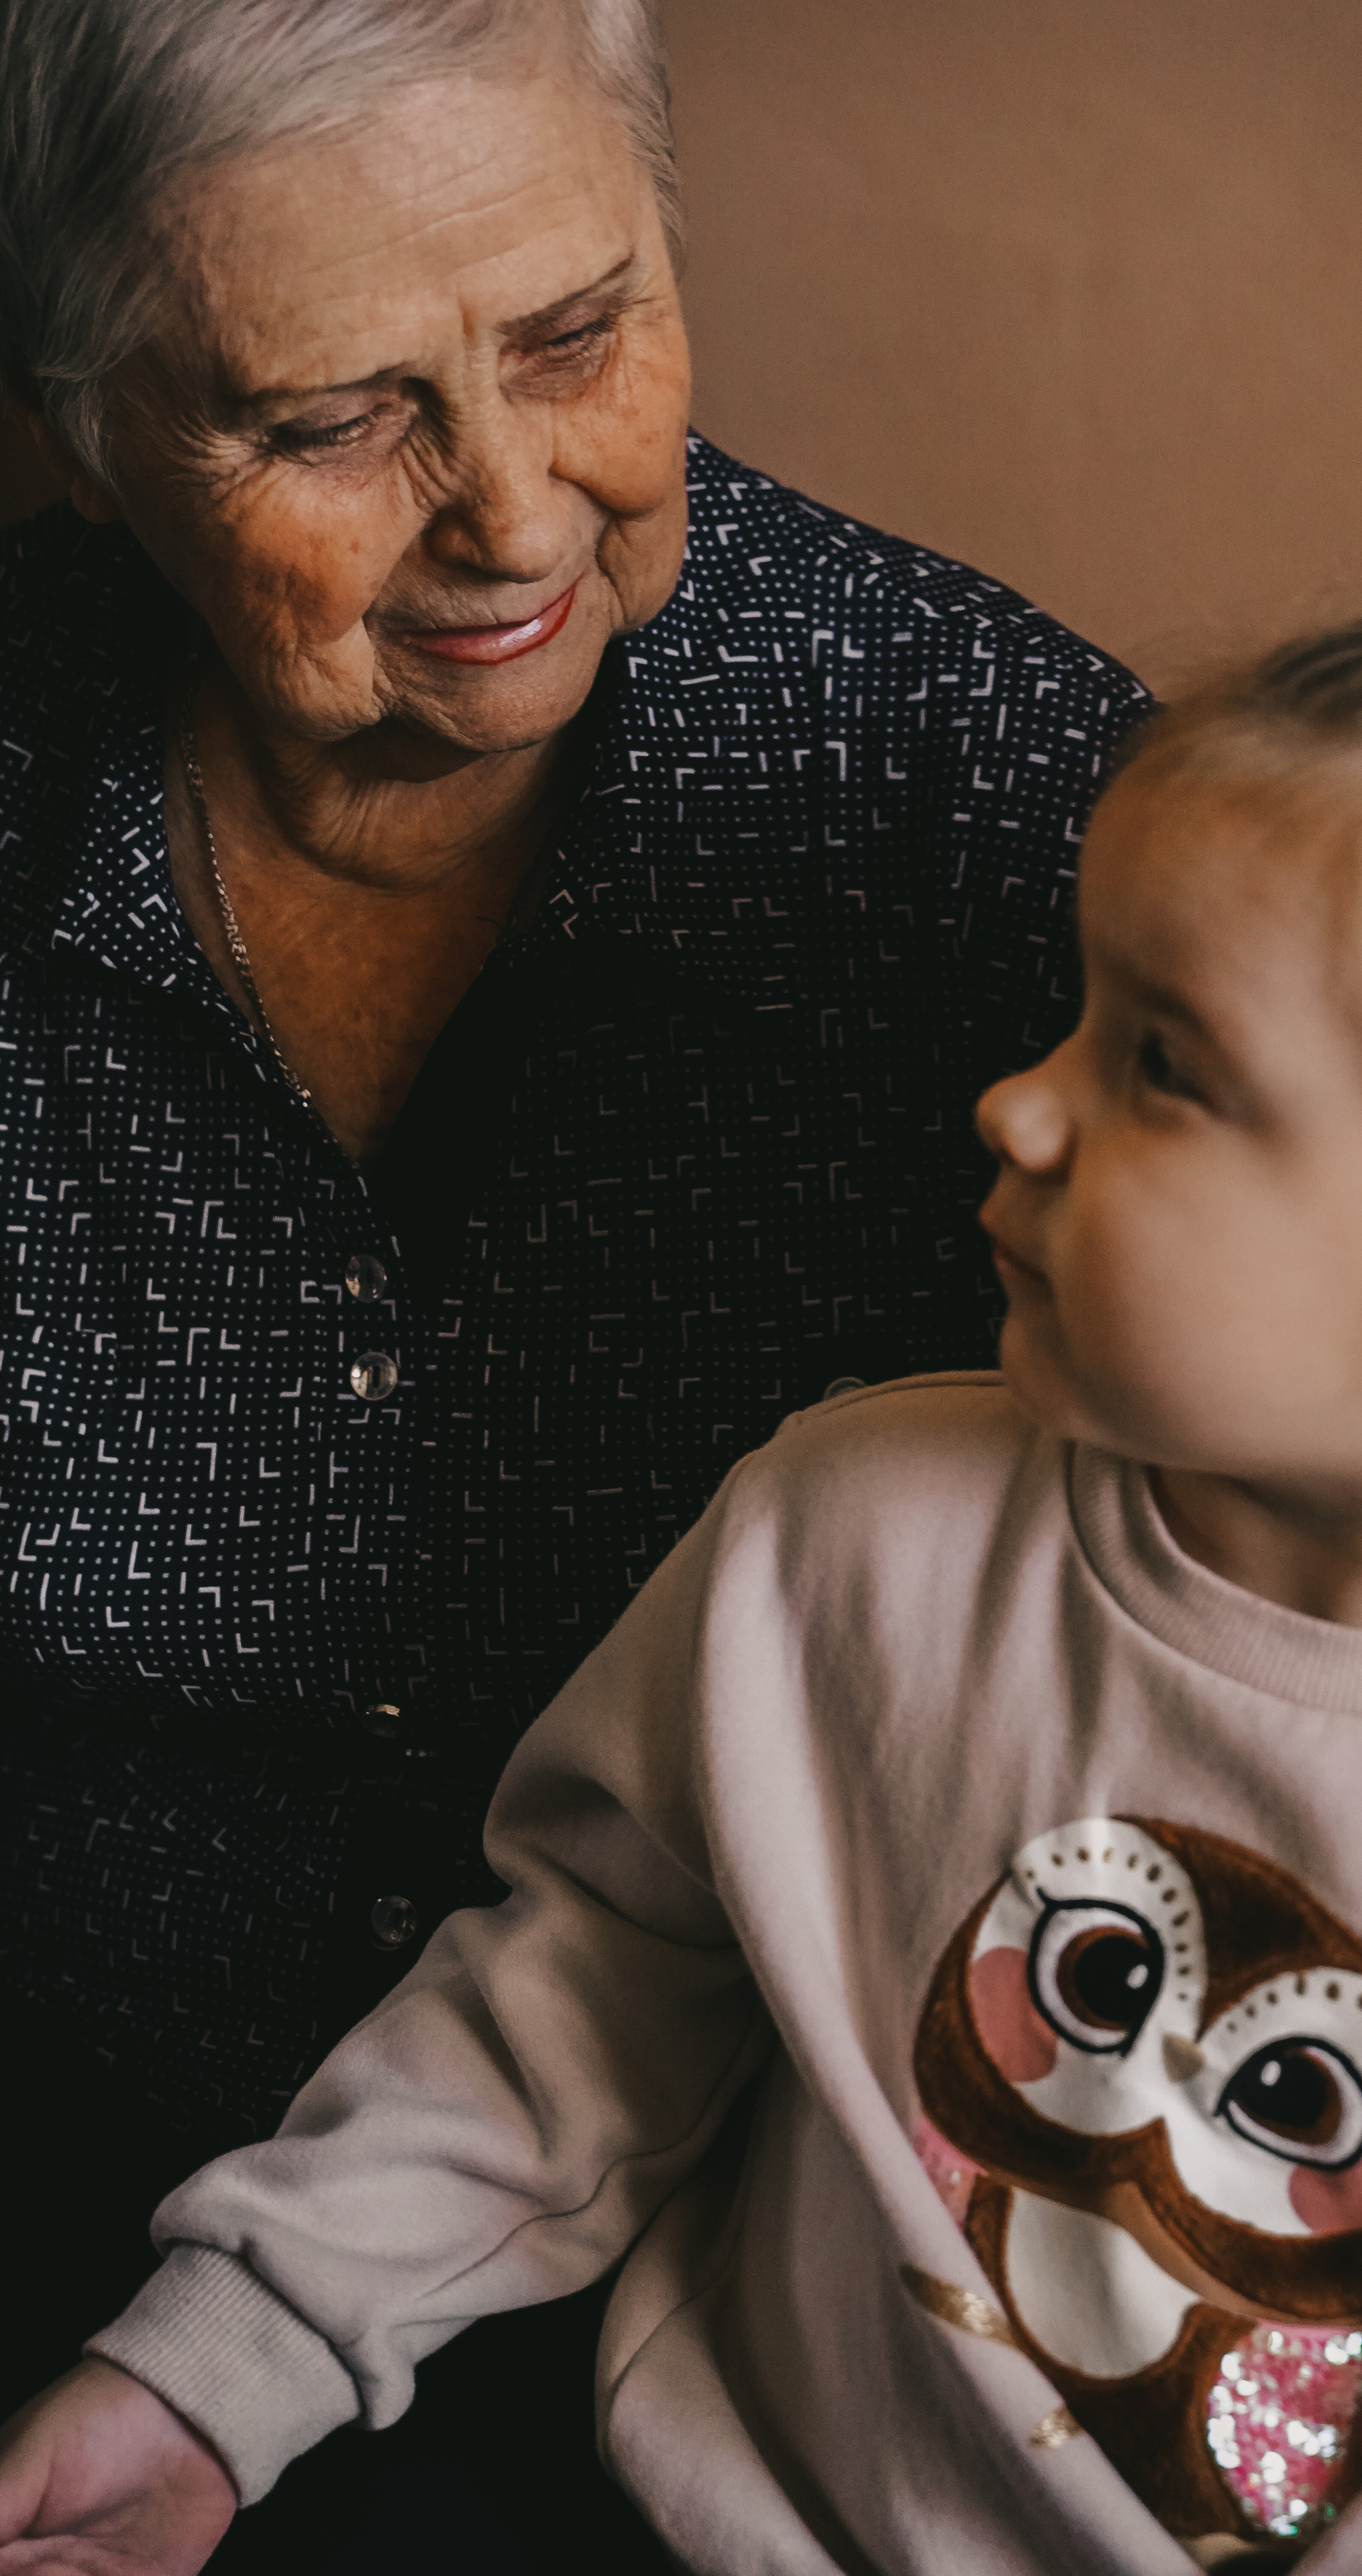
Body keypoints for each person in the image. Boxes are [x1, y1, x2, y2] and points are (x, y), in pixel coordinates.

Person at [11, 596, 1362, 2575]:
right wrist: (219, 2372)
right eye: (1075, 1006)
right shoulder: (852, 1528)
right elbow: (580, 1997)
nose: (1018, 1100)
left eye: (1163, 1062)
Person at [0, 1, 1144, 2555]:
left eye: (576, 335)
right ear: (83, 427)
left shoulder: (1014, 823)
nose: (515, 515)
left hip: (791, 2371)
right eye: (331, 420)